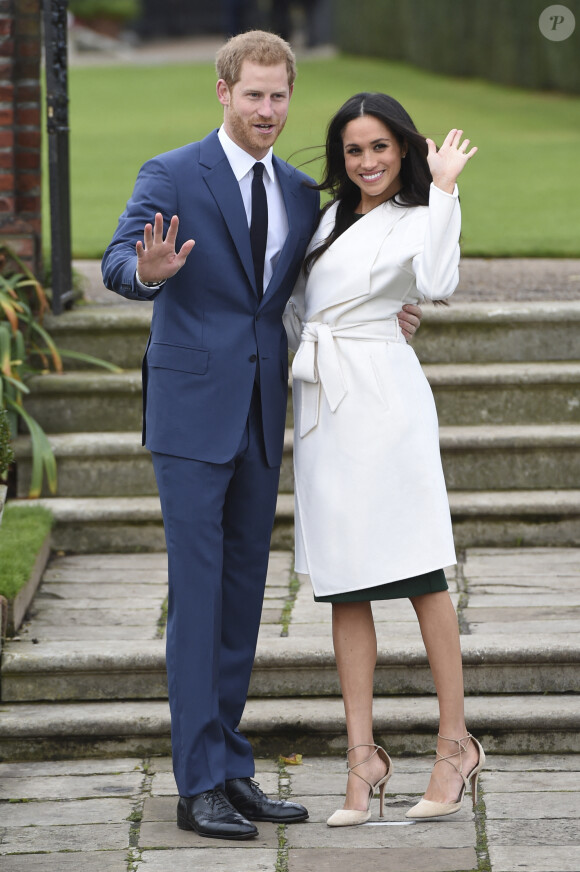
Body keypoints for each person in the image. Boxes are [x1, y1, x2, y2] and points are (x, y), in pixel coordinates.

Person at [102, 31, 423, 841]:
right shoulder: (173, 172)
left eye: (280, 96)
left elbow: (311, 289)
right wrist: (150, 272)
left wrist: (389, 312)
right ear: (223, 92)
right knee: (199, 593)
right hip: (187, 414)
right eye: (254, 95)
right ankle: (197, 780)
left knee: (244, 594)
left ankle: (230, 765)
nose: (268, 111)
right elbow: (115, 261)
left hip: (260, 413)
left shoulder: (296, 190)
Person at [284, 92, 485, 827]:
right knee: (344, 583)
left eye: (379, 148)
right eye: (353, 150)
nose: (367, 162)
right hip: (324, 408)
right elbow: (300, 307)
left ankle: (453, 745)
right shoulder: (328, 218)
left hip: (384, 403)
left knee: (420, 571)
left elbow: (435, 283)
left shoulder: (420, 212)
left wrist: (445, 188)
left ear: (403, 148)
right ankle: (362, 760)